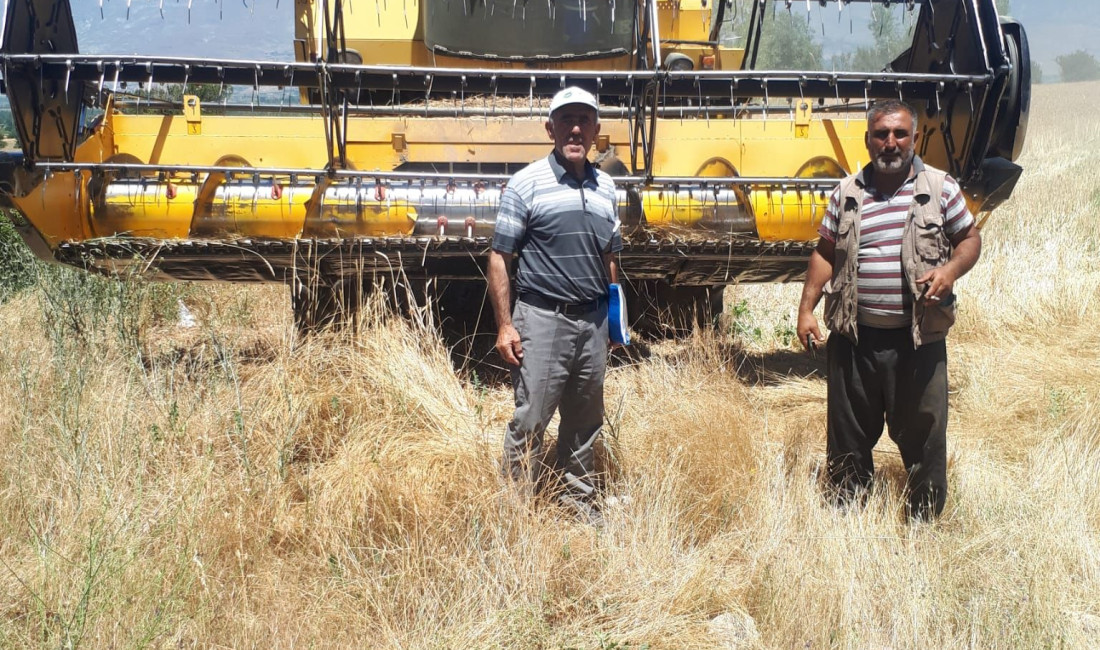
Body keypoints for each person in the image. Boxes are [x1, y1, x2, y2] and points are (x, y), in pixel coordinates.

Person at [796, 99, 982, 520]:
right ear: (868, 140)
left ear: (914, 139)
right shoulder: (846, 193)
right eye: (882, 134)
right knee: (847, 435)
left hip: (918, 338)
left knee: (924, 434)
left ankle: (923, 521)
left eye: (900, 134)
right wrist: (806, 309)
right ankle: (848, 514)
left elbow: (970, 239)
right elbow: (824, 253)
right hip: (854, 338)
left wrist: (950, 271)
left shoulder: (939, 188)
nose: (891, 142)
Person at [487, 86, 622, 523]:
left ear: (597, 129)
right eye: (566, 120)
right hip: (543, 320)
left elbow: (610, 259)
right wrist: (506, 325)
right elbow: (499, 257)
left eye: (584, 119)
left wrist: (614, 323)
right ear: (550, 128)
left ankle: (579, 505)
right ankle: (513, 512)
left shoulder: (607, 189)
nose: (576, 128)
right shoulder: (525, 184)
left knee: (585, 423)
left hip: (593, 323)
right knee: (530, 421)